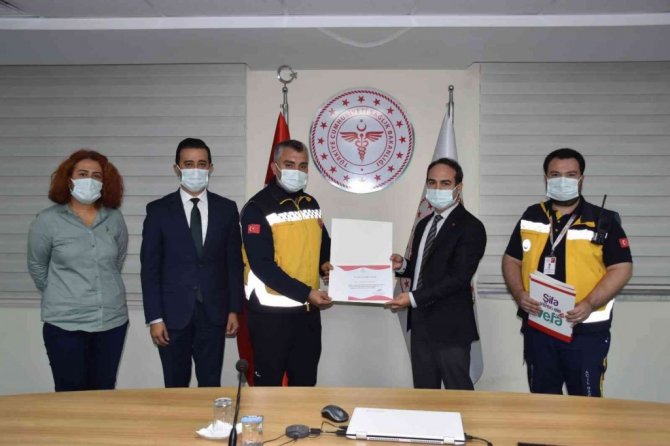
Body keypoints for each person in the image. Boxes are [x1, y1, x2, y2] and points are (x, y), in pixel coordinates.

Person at [502, 148, 633, 397]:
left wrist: (590, 303)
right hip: (540, 328)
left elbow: (622, 268)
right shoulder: (532, 215)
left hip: (585, 332)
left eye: (570, 175)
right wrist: (519, 293)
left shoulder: (603, 220)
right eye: (555, 175)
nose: (562, 181)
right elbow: (511, 259)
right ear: (546, 178)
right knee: (543, 402)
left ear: (581, 179)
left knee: (586, 405)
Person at [140, 138, 244, 387]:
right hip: (172, 316)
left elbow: (233, 263)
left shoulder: (226, 209)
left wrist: (234, 309)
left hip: (214, 314)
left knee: (210, 384)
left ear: (210, 168)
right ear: (177, 168)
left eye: (201, 163)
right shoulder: (158, 210)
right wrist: (155, 318)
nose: (195, 169)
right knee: (175, 385)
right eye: (188, 164)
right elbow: (150, 269)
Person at [27, 149, 128, 391]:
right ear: (69, 179)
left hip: (111, 323)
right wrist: (63, 293)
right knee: (69, 394)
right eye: (82, 174)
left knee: (104, 390)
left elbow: (116, 262)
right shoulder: (47, 220)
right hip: (65, 325)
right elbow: (37, 265)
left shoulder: (114, 219)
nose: (89, 180)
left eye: (96, 176)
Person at [386, 158, 487, 390]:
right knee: (424, 394)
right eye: (432, 183)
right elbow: (426, 269)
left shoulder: (471, 227)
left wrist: (413, 298)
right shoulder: (424, 225)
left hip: (450, 327)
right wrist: (403, 266)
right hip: (420, 324)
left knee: (457, 394)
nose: (437, 188)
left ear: (458, 187)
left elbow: (458, 278)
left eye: (445, 183)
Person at [241, 139, 332, 387]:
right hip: (271, 318)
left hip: (307, 316)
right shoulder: (257, 208)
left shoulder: (311, 204)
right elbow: (262, 266)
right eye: (289, 164)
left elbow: (323, 244)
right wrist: (307, 293)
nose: (297, 171)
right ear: (275, 167)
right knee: (268, 390)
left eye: (303, 166)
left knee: (305, 385)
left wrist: (326, 264)